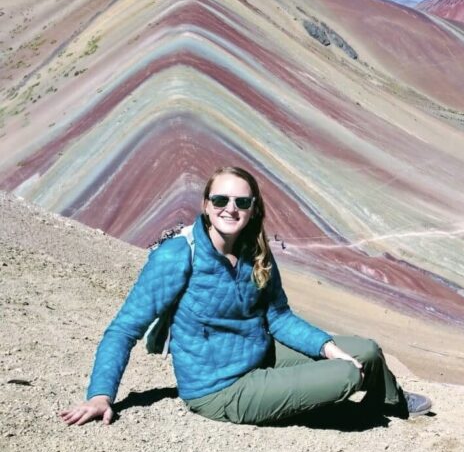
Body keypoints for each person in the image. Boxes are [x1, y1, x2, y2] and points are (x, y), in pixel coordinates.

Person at [60, 165, 431, 427]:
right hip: (221, 387)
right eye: (220, 199)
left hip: (259, 353)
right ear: (205, 205)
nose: (230, 209)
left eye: (241, 202)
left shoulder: (256, 253)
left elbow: (279, 318)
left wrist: (326, 347)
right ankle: (335, 407)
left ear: (254, 209)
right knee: (346, 375)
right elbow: (124, 329)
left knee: (364, 349)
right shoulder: (177, 255)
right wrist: (100, 394)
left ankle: (389, 403)